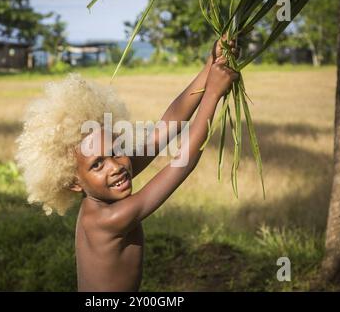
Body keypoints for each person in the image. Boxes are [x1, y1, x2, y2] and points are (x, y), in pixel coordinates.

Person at [15, 38, 239, 291]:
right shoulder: (110, 218)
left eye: (116, 151)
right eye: (97, 164)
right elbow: (182, 163)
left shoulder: (100, 191)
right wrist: (213, 94)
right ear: (73, 183)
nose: (115, 166)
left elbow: (165, 129)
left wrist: (210, 66)